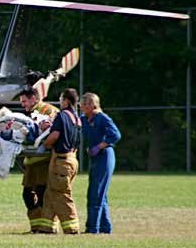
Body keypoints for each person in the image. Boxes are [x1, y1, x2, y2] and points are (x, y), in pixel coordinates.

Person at [38, 88, 81, 234]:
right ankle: (47, 227)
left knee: (62, 195)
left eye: (62, 99)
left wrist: (44, 145)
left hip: (61, 161)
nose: (60, 102)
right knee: (50, 194)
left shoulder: (62, 116)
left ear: (67, 101)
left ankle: (72, 227)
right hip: (72, 159)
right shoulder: (77, 118)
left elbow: (55, 135)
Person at [18, 88, 59, 233]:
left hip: (43, 161)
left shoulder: (49, 111)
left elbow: (54, 130)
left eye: (24, 101)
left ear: (34, 99)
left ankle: (48, 227)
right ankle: (35, 226)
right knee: (27, 194)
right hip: (31, 160)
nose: (23, 105)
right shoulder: (28, 114)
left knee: (43, 194)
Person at [81, 92, 121, 234]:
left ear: (94, 105)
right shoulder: (84, 119)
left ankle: (92, 229)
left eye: (86, 103)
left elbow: (116, 134)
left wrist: (99, 146)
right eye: (82, 103)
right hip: (94, 158)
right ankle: (105, 228)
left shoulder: (102, 118)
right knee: (100, 194)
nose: (83, 106)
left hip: (105, 156)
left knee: (95, 193)